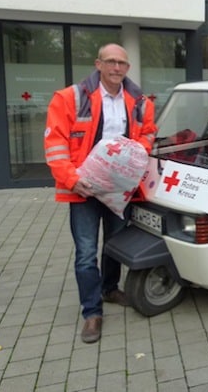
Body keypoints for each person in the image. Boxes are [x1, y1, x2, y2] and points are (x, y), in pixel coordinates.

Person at [44, 43, 157, 343]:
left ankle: (109, 289)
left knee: (116, 245)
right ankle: (91, 313)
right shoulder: (70, 98)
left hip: (119, 187)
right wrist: (71, 179)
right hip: (83, 188)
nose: (116, 68)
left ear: (127, 68)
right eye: (110, 62)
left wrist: (139, 150)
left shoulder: (140, 101)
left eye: (121, 63)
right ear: (98, 64)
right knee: (85, 254)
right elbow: (54, 144)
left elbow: (148, 131)